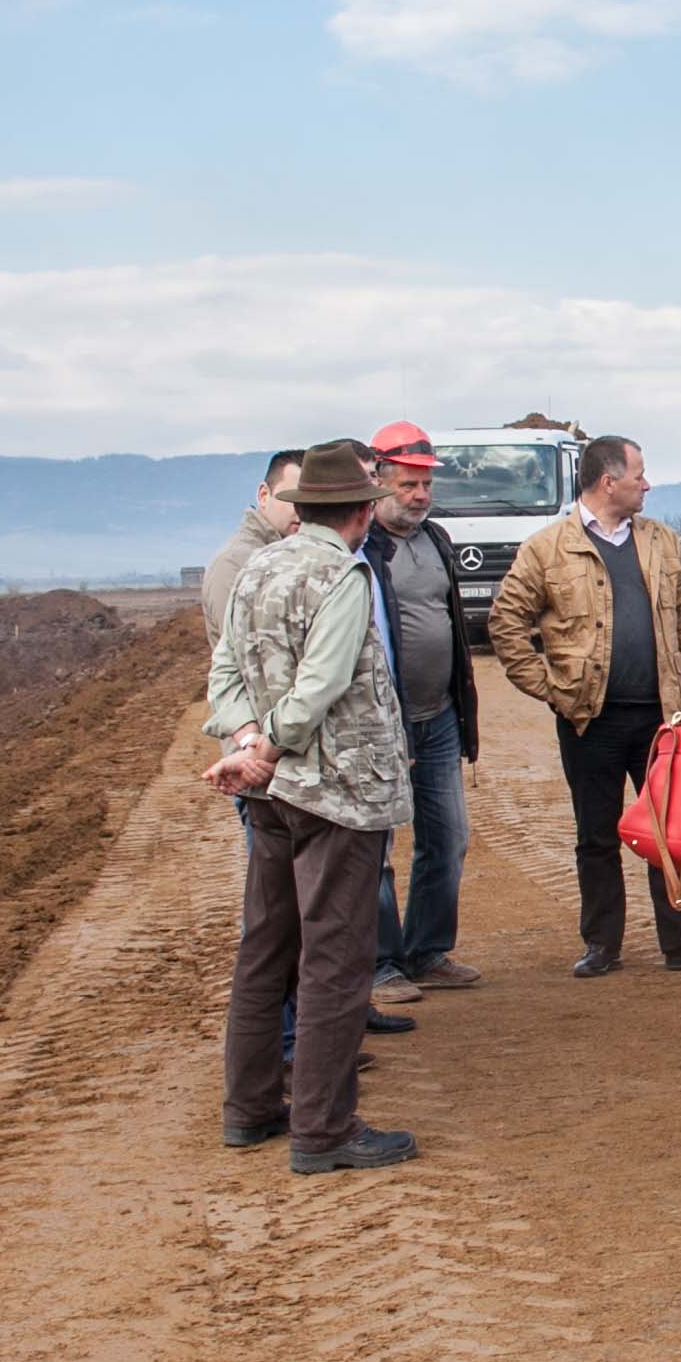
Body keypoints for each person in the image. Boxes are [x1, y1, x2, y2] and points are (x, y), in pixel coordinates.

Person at [205, 440, 417, 1174]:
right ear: (361, 510)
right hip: (336, 793)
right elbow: (323, 682)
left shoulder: (257, 568)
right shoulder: (343, 574)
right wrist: (271, 747)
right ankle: (323, 1130)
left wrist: (246, 741)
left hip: (269, 794)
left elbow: (224, 671)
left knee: (266, 947)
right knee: (334, 958)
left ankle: (250, 1107)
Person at [486, 434, 681, 978]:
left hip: (660, 719)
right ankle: (601, 943)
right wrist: (549, 687)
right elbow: (506, 622)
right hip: (588, 720)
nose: (647, 485)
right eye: (639, 475)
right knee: (595, 835)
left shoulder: (661, 540)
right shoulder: (547, 548)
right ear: (608, 481)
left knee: (671, 834)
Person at [365, 422, 484, 999]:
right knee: (376, 847)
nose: (419, 496)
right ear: (377, 481)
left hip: (438, 718)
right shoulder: (362, 548)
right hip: (382, 723)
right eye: (408, 485)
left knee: (448, 836)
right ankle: (380, 962)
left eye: (426, 486)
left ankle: (426, 949)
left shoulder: (435, 539)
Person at [202, 448, 300, 644]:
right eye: (293, 498)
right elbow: (246, 650)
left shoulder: (297, 556)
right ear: (264, 495)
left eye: (312, 503)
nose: (302, 511)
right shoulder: (233, 564)